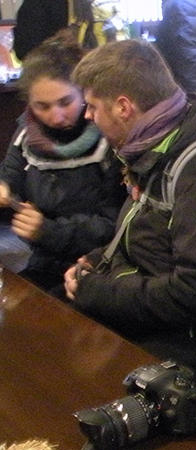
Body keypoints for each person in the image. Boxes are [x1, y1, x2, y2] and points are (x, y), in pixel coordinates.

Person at [64, 39, 196, 383]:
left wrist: (96, 292)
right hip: (159, 310)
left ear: (123, 107)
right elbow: (146, 230)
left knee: (78, 375)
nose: (86, 116)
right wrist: (99, 259)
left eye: (93, 106)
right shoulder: (157, 143)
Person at [0, 33, 124, 291]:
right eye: (41, 106)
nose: (55, 116)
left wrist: (47, 231)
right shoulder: (26, 135)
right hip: (44, 260)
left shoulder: (110, 138)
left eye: (65, 102)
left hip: (102, 265)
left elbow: (116, 223)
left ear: (83, 93)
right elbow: (10, 176)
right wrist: (4, 190)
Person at [155, 0, 196, 95]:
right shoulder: (184, 4)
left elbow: (191, 56)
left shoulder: (180, 6)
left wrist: (192, 97)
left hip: (193, 87)